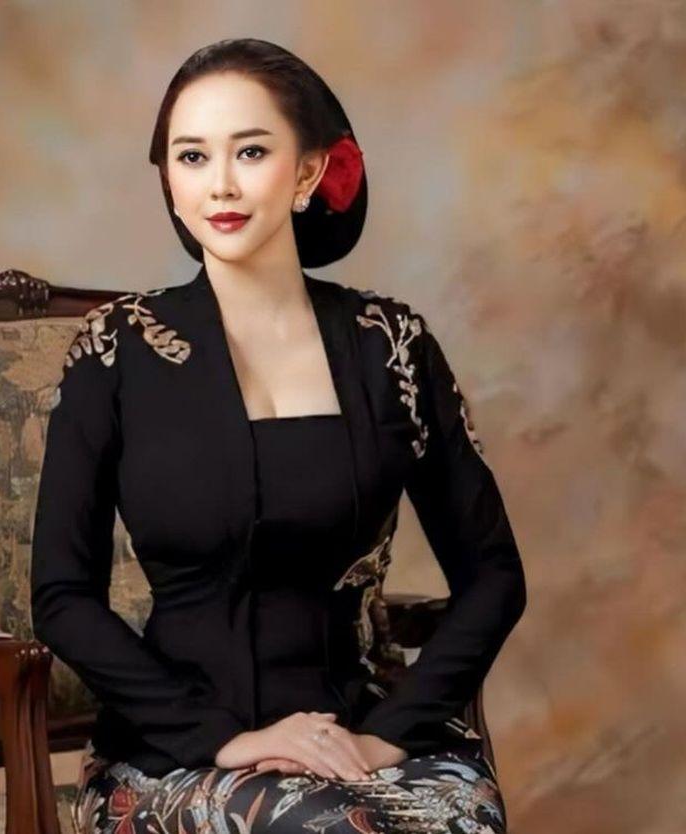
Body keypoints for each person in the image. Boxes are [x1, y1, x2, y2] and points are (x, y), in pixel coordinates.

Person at [31, 38, 527, 834]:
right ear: (169, 180)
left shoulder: (388, 344)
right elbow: (61, 596)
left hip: (362, 731)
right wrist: (230, 740)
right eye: (192, 157)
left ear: (307, 173)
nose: (220, 185)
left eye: (251, 152)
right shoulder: (115, 349)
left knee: (455, 819)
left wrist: (386, 738)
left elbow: (494, 575)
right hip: (179, 751)